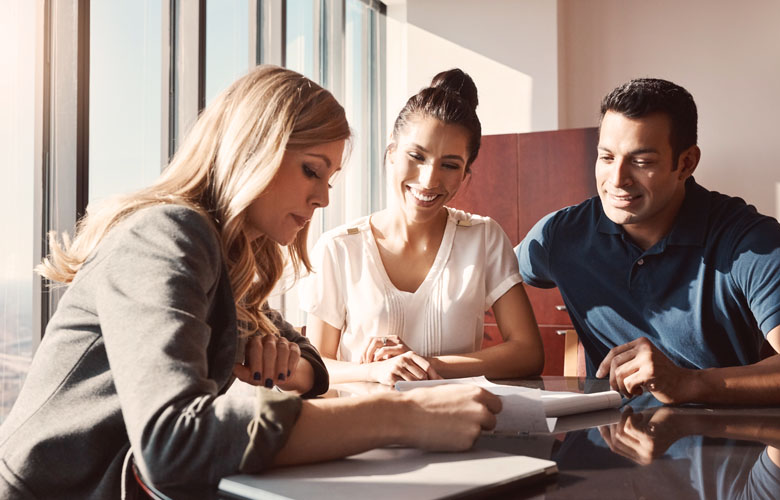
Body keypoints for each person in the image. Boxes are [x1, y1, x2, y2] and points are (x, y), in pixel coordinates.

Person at [0, 65, 502, 499]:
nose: (323, 199)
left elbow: (308, 359)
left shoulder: (221, 255)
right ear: (255, 151)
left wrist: (286, 363)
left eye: (330, 179)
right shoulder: (166, 233)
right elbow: (173, 444)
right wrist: (404, 417)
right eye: (312, 171)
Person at [516, 77, 780, 406]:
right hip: (604, 442)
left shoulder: (752, 243)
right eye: (606, 158)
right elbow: (485, 278)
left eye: (642, 162)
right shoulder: (561, 234)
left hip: (725, 443)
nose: (617, 180)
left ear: (686, 163)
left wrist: (690, 383)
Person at [300, 68, 544, 385]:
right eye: (417, 156)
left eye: (450, 165)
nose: (429, 180)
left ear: (466, 172)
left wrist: (425, 365)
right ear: (391, 151)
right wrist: (374, 371)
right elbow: (315, 364)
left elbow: (528, 353)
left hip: (459, 428)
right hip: (362, 429)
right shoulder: (339, 248)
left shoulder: (483, 238)